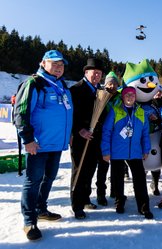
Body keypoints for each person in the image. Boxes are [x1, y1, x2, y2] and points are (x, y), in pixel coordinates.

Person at [14, 50, 73, 241]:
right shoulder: (34, 83)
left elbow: (65, 113)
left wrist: (69, 134)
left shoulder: (62, 86)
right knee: (33, 181)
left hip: (56, 143)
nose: (59, 67)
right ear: (43, 63)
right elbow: (21, 113)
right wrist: (28, 139)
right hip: (38, 145)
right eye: (54, 63)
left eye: (61, 64)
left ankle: (41, 209)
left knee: (49, 178)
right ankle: (29, 221)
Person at [101, 87, 154, 219]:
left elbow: (145, 134)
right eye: (127, 95)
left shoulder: (141, 113)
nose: (130, 97)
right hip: (117, 151)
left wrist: (145, 149)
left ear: (135, 97)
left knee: (140, 179)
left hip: (135, 151)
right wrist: (106, 151)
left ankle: (144, 206)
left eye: (132, 95)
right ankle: (119, 201)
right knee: (117, 179)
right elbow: (106, 132)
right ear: (123, 97)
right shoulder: (115, 111)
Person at [69, 58, 105, 219]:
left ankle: (85, 198)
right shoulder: (75, 90)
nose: (96, 76)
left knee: (90, 169)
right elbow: (70, 115)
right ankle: (76, 205)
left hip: (95, 137)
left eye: (99, 73)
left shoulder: (100, 91)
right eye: (94, 72)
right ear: (86, 72)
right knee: (79, 170)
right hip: (80, 137)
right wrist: (79, 130)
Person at [95, 71, 120, 205]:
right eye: (110, 83)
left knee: (116, 165)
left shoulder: (120, 98)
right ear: (106, 84)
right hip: (102, 135)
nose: (112, 86)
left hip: (117, 136)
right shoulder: (101, 95)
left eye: (115, 84)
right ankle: (101, 193)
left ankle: (115, 190)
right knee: (103, 165)